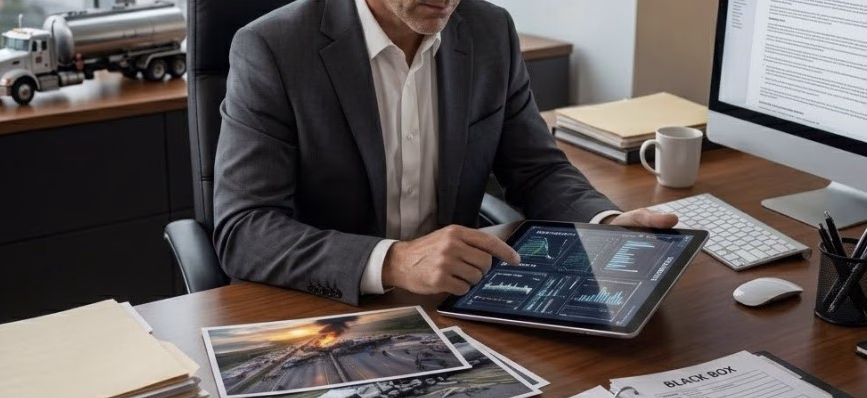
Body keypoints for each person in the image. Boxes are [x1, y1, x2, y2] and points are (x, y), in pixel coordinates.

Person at [213, 0, 677, 305]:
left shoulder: (489, 29)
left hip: (454, 302)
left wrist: (606, 226)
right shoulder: (273, 47)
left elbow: (536, 169)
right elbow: (245, 230)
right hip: (326, 305)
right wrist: (394, 260)